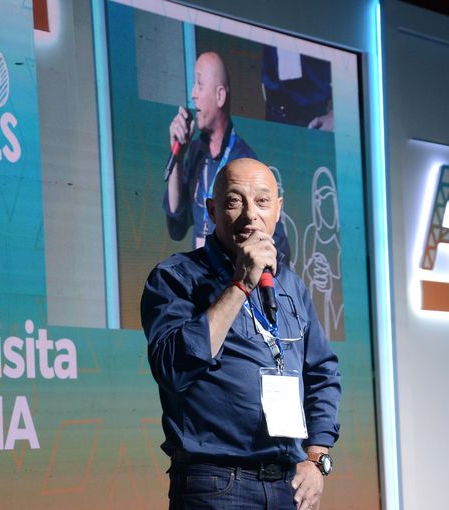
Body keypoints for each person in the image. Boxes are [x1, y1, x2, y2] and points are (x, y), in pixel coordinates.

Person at [142, 158, 341, 509]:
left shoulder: (290, 285)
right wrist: (240, 284)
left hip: (287, 484)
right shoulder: (176, 277)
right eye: (235, 201)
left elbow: (322, 373)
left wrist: (316, 457)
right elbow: (173, 369)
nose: (251, 215)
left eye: (262, 201)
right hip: (215, 484)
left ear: (278, 209)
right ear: (212, 210)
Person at [165, 51, 291, 264]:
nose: (193, 94)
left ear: (220, 96)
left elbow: (277, 243)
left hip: (232, 274)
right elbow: (176, 224)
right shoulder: (195, 152)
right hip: (202, 273)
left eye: (199, 85)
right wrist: (177, 158)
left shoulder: (244, 162)